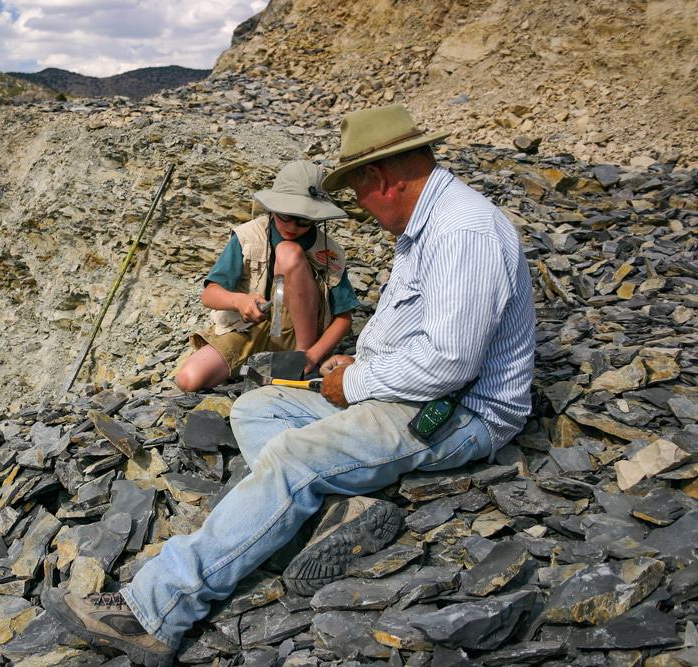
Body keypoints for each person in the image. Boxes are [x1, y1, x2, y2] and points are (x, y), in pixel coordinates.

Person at [43, 104, 536, 667]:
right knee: (256, 408)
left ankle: (155, 611)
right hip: (407, 389)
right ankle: (333, 514)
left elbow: (449, 362)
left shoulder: (462, 231)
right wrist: (361, 365)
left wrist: (357, 381)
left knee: (293, 457)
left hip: (456, 412)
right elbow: (430, 337)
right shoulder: (430, 228)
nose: (361, 207)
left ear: (381, 178)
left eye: (357, 192)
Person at [174, 160, 359, 391]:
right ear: (273, 208)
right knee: (189, 379)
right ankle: (265, 364)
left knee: (288, 252)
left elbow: (344, 318)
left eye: (304, 220)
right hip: (249, 329)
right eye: (285, 216)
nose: (293, 226)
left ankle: (298, 359)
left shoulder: (329, 253)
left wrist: (312, 355)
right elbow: (209, 295)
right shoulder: (248, 236)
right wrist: (238, 301)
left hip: (298, 338)